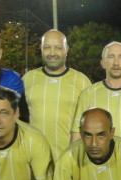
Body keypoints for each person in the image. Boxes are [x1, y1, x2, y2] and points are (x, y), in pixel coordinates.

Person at [23, 29, 92, 160]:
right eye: (47, 47)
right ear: (41, 49)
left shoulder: (82, 81)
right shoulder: (28, 79)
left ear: (67, 50)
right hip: (34, 161)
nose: (52, 53)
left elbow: (90, 124)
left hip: (70, 161)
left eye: (58, 47)